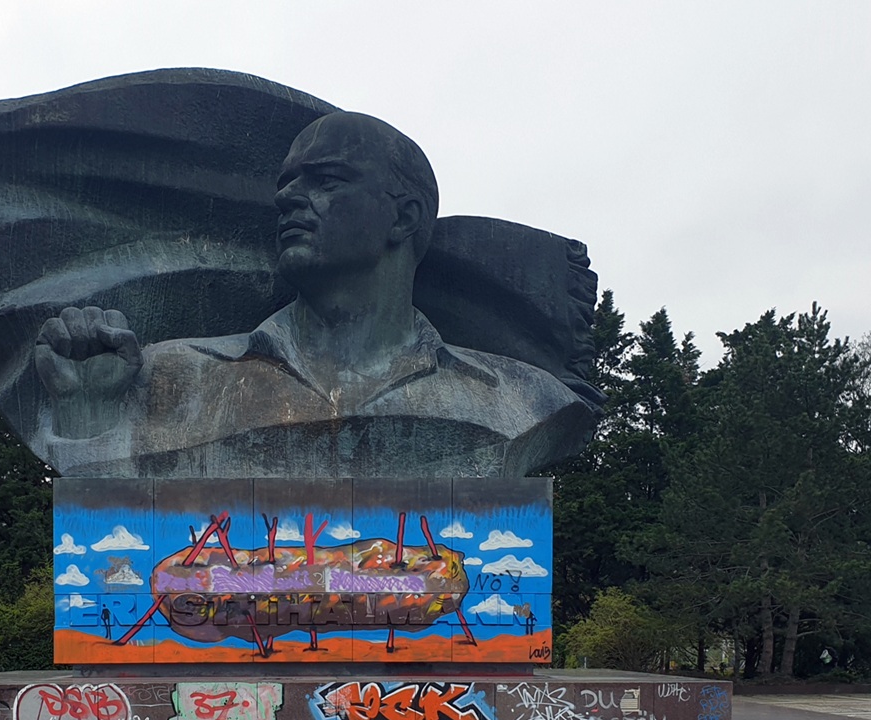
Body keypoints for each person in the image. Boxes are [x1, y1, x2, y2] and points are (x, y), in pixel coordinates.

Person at [33, 112, 595, 477]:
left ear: (404, 217)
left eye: (325, 181)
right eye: (286, 185)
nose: (288, 200)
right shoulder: (167, 376)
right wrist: (88, 416)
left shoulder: (524, 400)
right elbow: (110, 541)